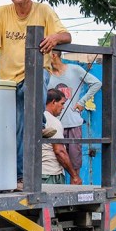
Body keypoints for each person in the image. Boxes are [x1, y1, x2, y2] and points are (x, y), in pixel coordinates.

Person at [0, 0, 72, 185]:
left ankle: (38, 123)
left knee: (33, 87)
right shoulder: (2, 13)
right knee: (18, 127)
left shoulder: (44, 10)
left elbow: (66, 36)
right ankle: (20, 174)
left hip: (35, 73)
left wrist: (55, 37)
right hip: (9, 80)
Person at [48, 50, 102, 178]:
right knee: (52, 165)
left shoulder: (74, 70)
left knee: (74, 166)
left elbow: (96, 83)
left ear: (54, 55)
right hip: (53, 126)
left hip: (72, 124)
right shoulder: (46, 74)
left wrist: (82, 101)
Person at [42, 89, 82, 185]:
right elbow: (59, 151)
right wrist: (74, 176)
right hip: (51, 174)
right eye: (62, 103)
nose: (63, 107)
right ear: (53, 102)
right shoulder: (54, 122)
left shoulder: (38, 118)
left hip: (39, 173)